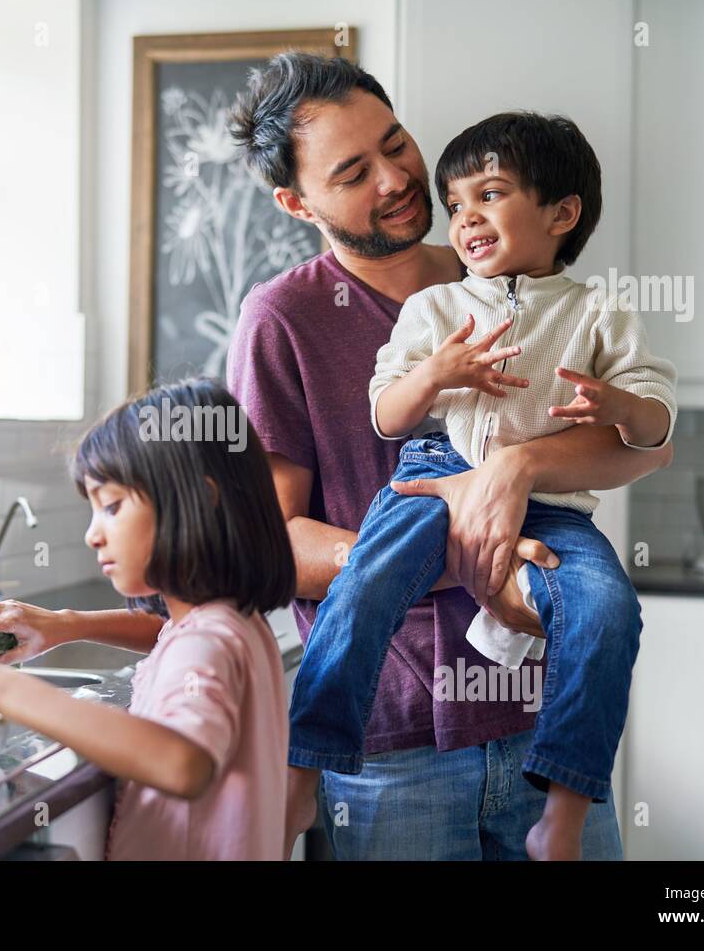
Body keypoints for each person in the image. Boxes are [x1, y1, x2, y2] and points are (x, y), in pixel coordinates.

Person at [226, 52, 675, 859]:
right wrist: (468, 555)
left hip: (538, 715)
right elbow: (270, 542)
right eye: (355, 171)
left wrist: (518, 469)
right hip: (393, 750)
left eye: (396, 144)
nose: (398, 180)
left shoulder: (508, 281)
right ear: (297, 202)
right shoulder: (282, 320)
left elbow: (642, 450)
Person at [0, 378, 294, 860]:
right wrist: (67, 625)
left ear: (201, 498)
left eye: (111, 506)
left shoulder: (207, 642)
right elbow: (169, 635)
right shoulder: (230, 620)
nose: (93, 534)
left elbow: (183, 762)